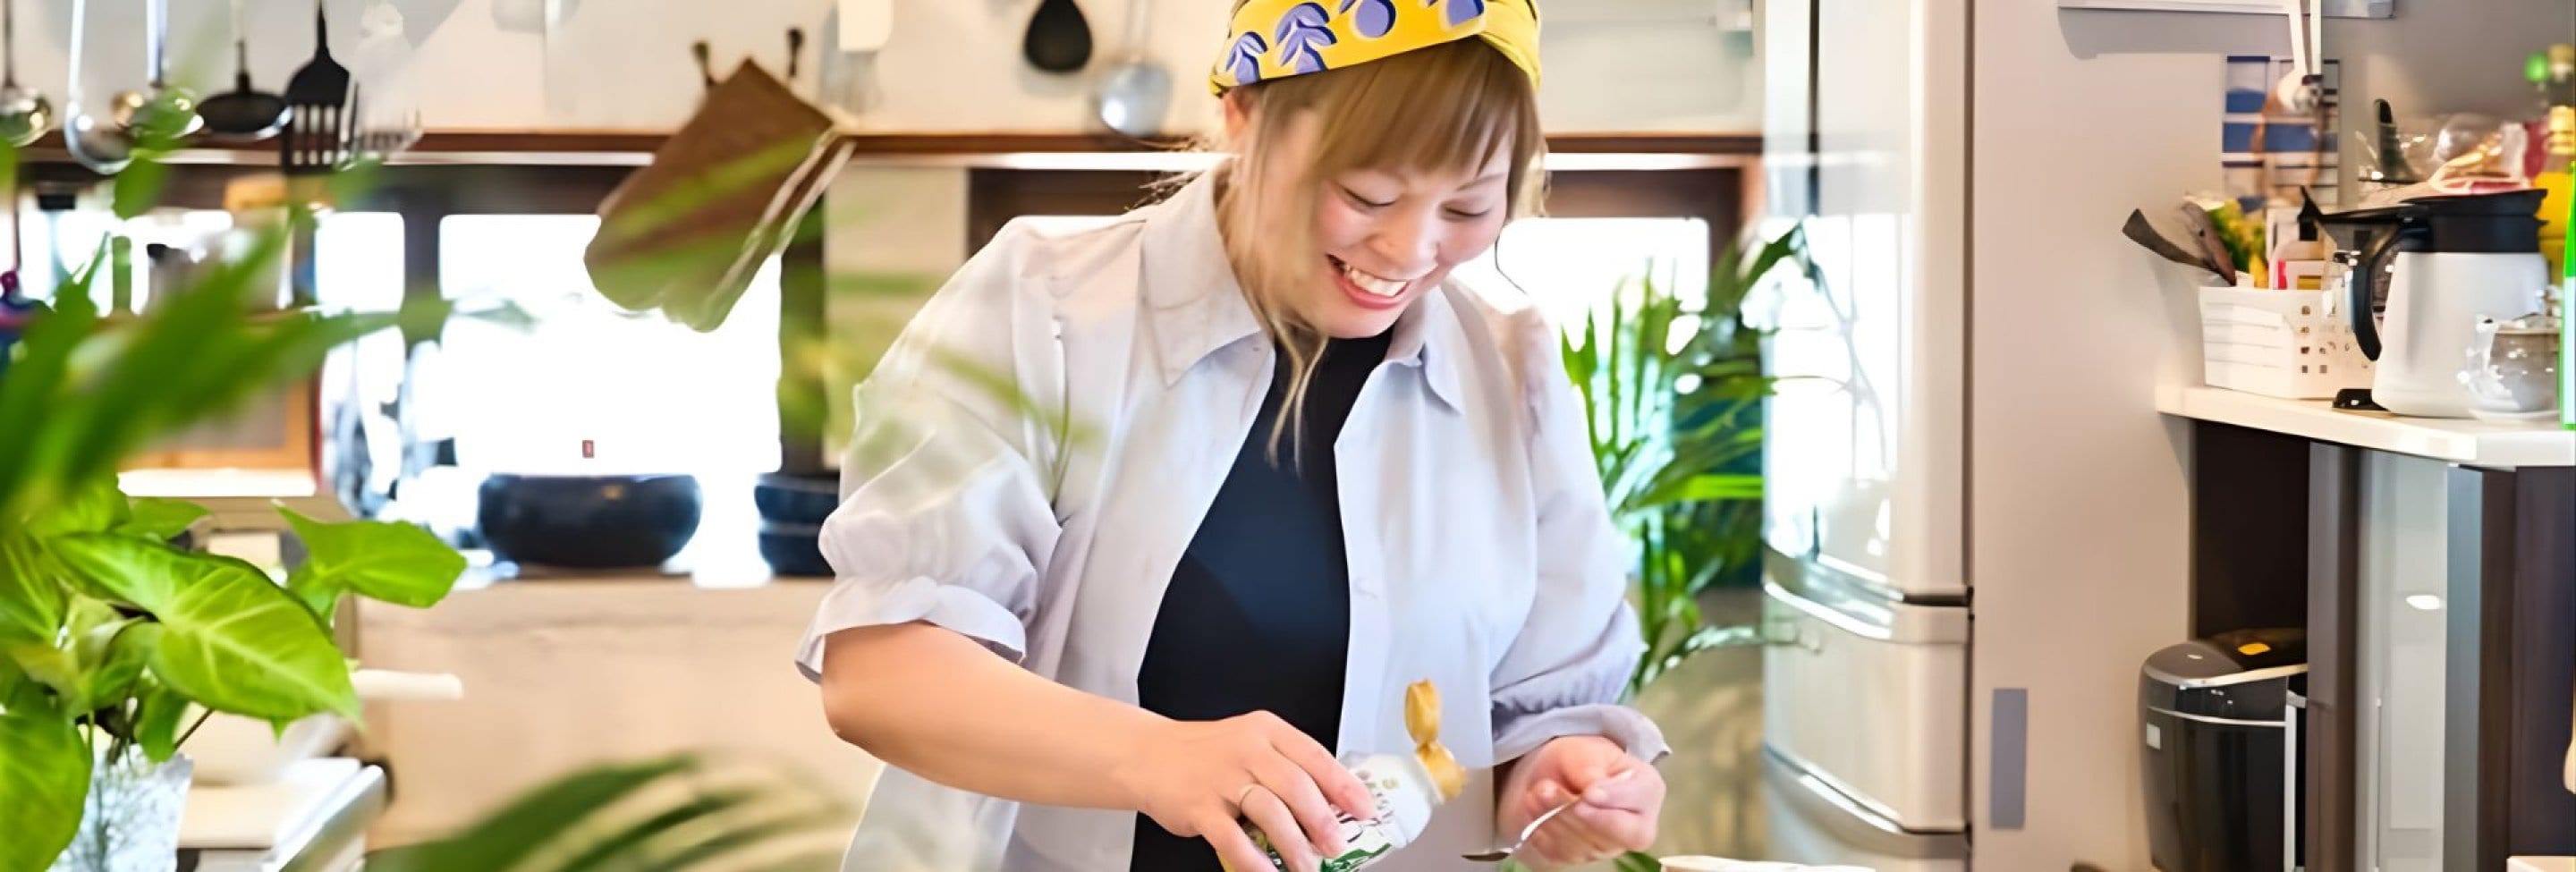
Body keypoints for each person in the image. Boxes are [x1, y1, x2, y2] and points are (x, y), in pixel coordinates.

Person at [798, 2, 1667, 869]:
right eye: (1366, 194)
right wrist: (1158, 756)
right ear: (1243, 113)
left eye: (1470, 206)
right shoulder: (1046, 310)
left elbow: (1538, 709)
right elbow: (881, 675)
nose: (1410, 248)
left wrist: (1556, 778)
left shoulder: (1511, 374)